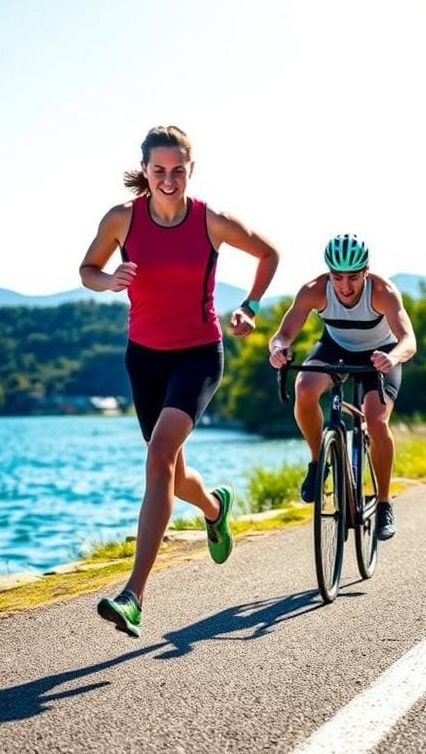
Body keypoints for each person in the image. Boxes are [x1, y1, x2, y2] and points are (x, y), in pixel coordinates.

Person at [79, 125, 279, 637]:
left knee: (158, 456)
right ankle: (215, 507)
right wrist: (109, 280)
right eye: (159, 169)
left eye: (178, 170)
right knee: (173, 470)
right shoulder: (122, 219)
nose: (168, 179)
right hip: (143, 358)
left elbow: (268, 254)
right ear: (144, 169)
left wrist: (251, 306)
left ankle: (134, 596)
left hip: (198, 355)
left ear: (191, 169)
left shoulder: (211, 221)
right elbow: (88, 269)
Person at [268, 234, 417, 541]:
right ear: (328, 273)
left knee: (376, 420)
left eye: (353, 277)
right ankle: (317, 463)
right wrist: (279, 349)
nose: (345, 287)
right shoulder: (314, 291)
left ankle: (385, 503)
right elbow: (282, 335)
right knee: (305, 388)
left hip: (381, 354)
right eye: (337, 278)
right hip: (335, 347)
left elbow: (408, 340)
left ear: (366, 271)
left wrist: (392, 357)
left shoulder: (383, 291)